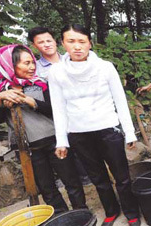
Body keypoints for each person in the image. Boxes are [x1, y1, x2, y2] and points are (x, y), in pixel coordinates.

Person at [49, 24, 140, 226]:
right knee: (97, 178)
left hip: (108, 129)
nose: (77, 47)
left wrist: (129, 131)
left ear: (89, 43)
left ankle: (131, 212)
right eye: (71, 41)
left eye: (82, 41)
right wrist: (61, 140)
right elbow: (59, 108)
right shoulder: (57, 72)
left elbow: (120, 100)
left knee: (122, 175)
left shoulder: (105, 67)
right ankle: (111, 211)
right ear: (63, 44)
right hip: (79, 133)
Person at [0, 44, 87, 214]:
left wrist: (33, 103)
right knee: (46, 188)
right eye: (26, 63)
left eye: (32, 62)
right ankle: (61, 217)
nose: (32, 67)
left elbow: (56, 110)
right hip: (27, 147)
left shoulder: (40, 82)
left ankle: (81, 212)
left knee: (71, 180)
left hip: (54, 140)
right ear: (10, 64)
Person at [28, 26, 91, 186]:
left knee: (84, 142)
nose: (46, 44)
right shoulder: (35, 69)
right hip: (54, 112)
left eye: (49, 40)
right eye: (40, 42)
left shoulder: (71, 59)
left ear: (56, 41)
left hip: (79, 108)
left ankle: (88, 174)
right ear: (34, 46)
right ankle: (76, 178)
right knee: (64, 142)